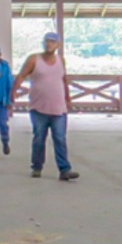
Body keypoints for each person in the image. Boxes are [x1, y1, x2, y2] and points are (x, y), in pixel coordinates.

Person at [13, 31, 79, 182]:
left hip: (59, 108)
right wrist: (13, 92)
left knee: (60, 138)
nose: (49, 44)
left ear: (58, 45)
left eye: (52, 42)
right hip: (38, 108)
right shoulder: (33, 59)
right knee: (39, 138)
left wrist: (68, 98)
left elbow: (63, 79)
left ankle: (64, 170)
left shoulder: (61, 60)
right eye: (47, 41)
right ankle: (37, 167)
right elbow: (21, 75)